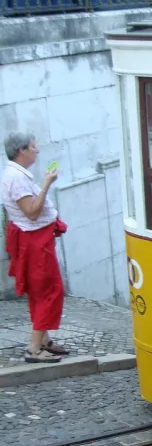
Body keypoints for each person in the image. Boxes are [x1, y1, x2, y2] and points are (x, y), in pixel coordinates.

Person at [2, 133, 68, 364]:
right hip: (34, 242)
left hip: (35, 239)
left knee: (41, 291)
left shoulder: (15, 174)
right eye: (33, 147)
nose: (37, 151)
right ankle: (34, 348)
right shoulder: (16, 178)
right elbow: (31, 212)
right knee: (49, 291)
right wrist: (47, 184)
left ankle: (44, 340)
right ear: (21, 151)